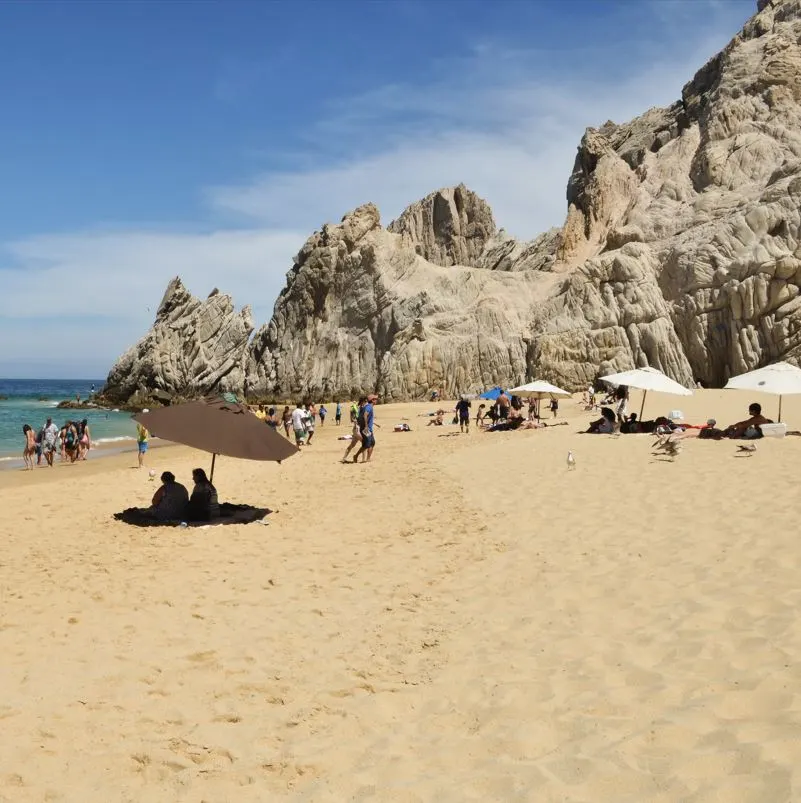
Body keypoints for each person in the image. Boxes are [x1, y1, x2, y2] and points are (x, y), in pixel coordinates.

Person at [353, 394, 376, 462]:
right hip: (366, 429)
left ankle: (368, 458)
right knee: (367, 444)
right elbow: (365, 415)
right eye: (375, 399)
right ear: (372, 400)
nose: (376, 400)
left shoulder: (366, 407)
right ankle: (356, 455)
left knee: (372, 443)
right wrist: (366, 426)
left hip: (366, 428)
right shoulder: (369, 407)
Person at [341, 398, 365, 462]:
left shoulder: (355, 409)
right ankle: (363, 459)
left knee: (352, 445)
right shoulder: (360, 409)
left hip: (355, 430)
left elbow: (352, 419)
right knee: (365, 444)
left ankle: (344, 458)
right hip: (358, 429)